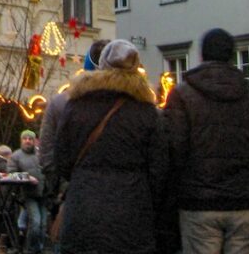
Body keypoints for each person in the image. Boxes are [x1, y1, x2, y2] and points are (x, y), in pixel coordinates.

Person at [53, 39, 166, 254]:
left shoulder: (75, 107)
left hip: (82, 211)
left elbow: (61, 161)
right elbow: (159, 170)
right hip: (132, 215)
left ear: (101, 66)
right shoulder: (147, 113)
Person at [164, 28, 249, 254]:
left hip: (198, 204)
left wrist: (172, 203)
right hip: (244, 203)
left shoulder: (182, 96)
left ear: (202, 56)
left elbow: (175, 152)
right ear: (232, 56)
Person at [39, 38, 109, 236]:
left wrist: (57, 188)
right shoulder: (133, 105)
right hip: (121, 200)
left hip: (73, 194)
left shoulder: (62, 103)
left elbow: (46, 155)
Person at [7, 129, 45, 254]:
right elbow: (11, 174)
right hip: (28, 194)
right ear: (21, 140)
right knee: (35, 222)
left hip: (44, 194)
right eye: (25, 138)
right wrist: (27, 178)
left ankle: (38, 249)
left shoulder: (41, 154)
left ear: (34, 141)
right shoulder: (16, 156)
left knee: (43, 226)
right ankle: (30, 250)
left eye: (30, 139)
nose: (28, 141)